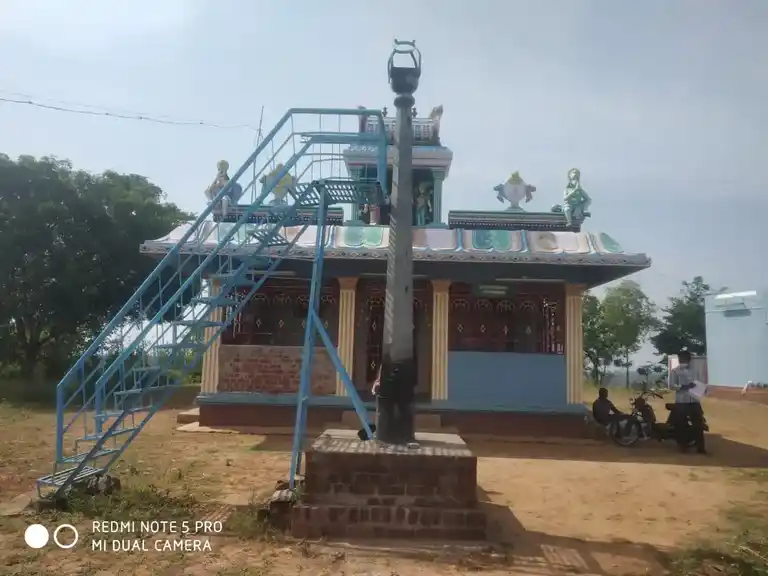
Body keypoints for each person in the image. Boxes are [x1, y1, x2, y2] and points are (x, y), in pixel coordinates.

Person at [668, 350, 707, 454]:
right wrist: (684, 387)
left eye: (686, 358)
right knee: (681, 425)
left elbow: (700, 382)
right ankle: (683, 447)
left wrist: (701, 388)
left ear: (689, 360)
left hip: (694, 400)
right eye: (682, 359)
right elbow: (672, 385)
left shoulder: (695, 371)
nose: (684, 360)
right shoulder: (675, 371)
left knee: (698, 424)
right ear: (679, 360)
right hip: (682, 402)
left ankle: (701, 448)